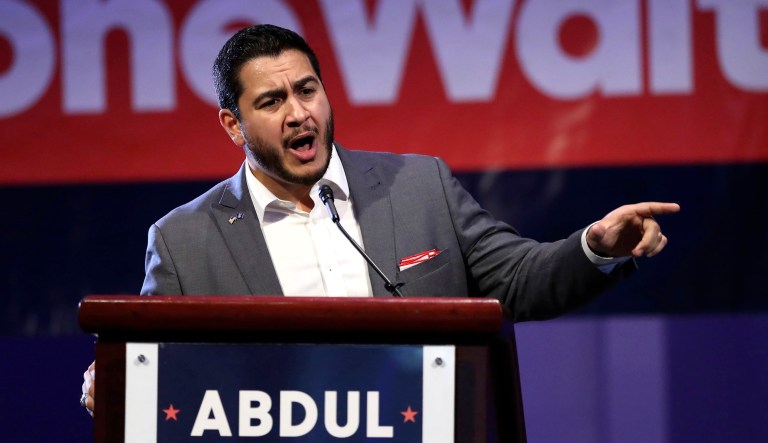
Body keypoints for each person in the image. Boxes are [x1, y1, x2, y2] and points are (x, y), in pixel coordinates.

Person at [80, 24, 679, 416]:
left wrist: (595, 246)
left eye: (307, 90)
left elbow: (520, 279)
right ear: (233, 126)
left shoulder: (420, 187)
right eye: (271, 102)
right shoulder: (184, 240)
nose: (298, 113)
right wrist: (114, 380)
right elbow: (159, 376)